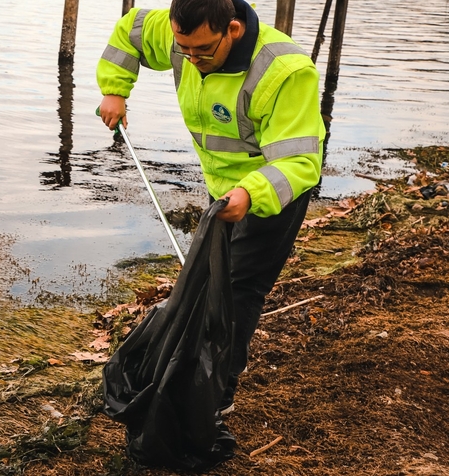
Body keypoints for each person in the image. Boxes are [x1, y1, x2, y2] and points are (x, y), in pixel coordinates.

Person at [97, 0, 324, 431]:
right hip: (223, 191)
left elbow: (300, 163)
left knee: (237, 291)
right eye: (183, 50)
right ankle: (186, 372)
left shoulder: (285, 71)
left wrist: (250, 192)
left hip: (274, 190)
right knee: (203, 284)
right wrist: (115, 88)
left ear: (233, 30)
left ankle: (216, 394)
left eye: (202, 51)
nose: (191, 60)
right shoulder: (182, 34)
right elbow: (131, 30)